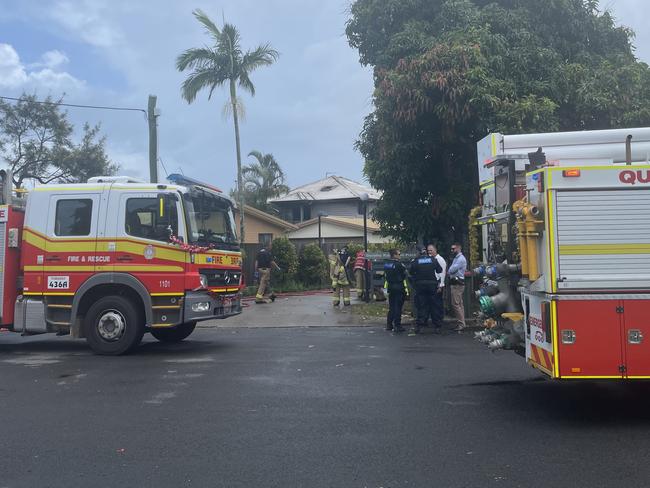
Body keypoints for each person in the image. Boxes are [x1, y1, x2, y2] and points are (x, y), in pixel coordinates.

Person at [409, 246, 442, 336]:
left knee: (422, 305)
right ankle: (437, 326)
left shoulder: (416, 261)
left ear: (419, 253)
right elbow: (440, 270)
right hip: (432, 285)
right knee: (434, 305)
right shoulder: (433, 260)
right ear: (427, 253)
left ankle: (421, 326)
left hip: (420, 286)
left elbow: (411, 272)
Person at [383, 249, 409, 333]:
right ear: (394, 255)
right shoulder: (399, 264)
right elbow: (405, 274)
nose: (400, 256)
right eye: (399, 254)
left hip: (391, 287)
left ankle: (389, 324)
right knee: (398, 307)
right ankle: (397, 325)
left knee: (392, 307)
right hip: (399, 287)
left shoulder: (387, 264)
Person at [448, 242, 468, 331]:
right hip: (457, 283)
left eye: (453, 249)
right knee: (459, 304)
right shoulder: (457, 258)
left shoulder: (460, 259)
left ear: (459, 248)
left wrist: (449, 270)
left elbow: (451, 270)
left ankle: (461, 324)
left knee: (456, 304)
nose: (452, 250)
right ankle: (462, 323)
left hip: (457, 284)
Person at [427, 244, 447, 333]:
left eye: (431, 250)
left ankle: (439, 323)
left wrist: (440, 285)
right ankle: (436, 321)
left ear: (435, 250)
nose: (429, 252)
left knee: (437, 305)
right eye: (428, 251)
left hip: (438, 284)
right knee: (433, 304)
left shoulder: (440, 260)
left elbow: (442, 273)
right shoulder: (430, 259)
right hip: (432, 284)